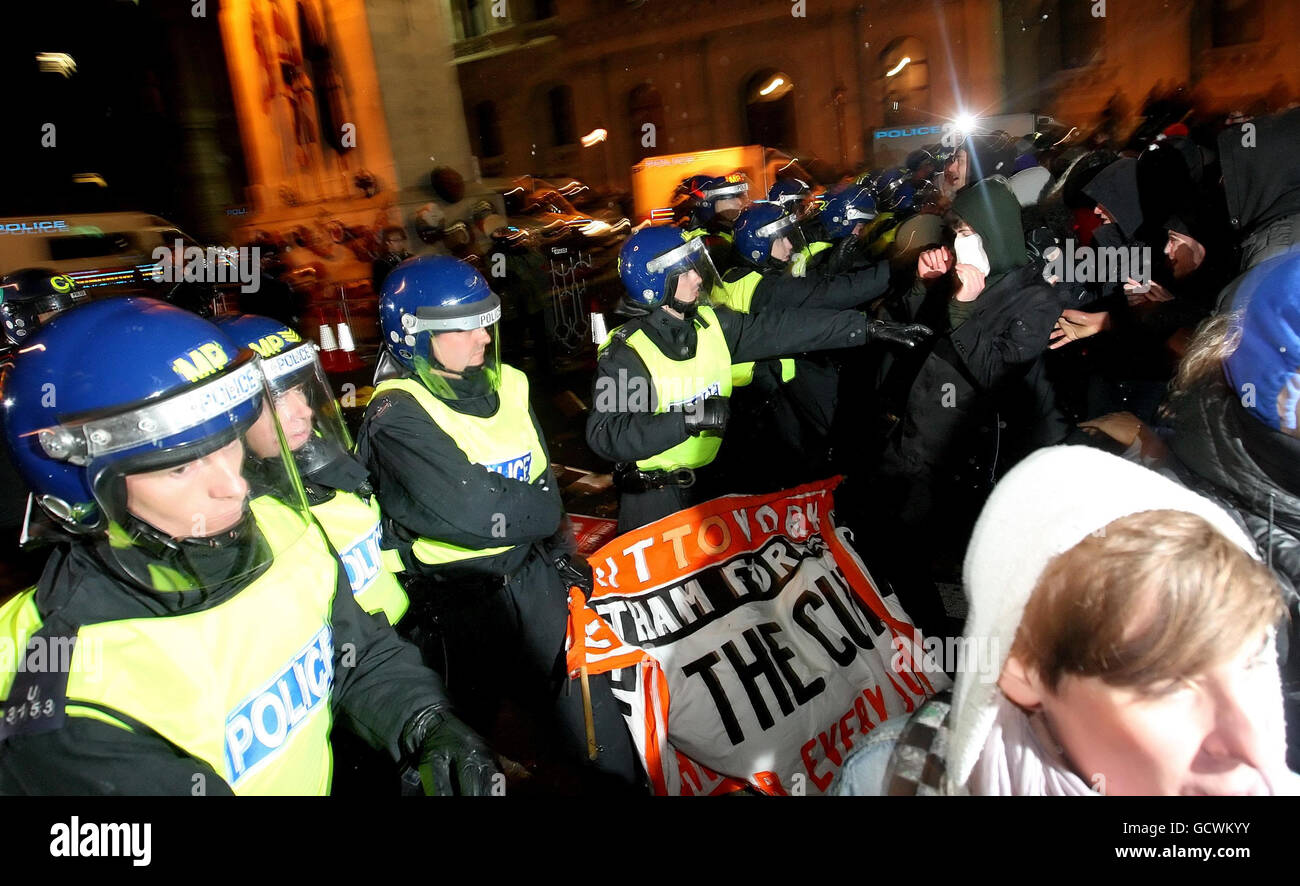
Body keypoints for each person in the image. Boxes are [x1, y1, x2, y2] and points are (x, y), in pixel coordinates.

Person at [0, 297, 497, 795]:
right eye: (181, 466)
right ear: (81, 490)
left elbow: (355, 650)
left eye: (228, 442)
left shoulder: (279, 526)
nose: (236, 489)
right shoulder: (67, 684)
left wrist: (425, 721)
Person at [832, 445, 1299, 796]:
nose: (1256, 748)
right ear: (1021, 669)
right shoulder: (894, 778)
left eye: (1252, 660)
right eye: (1170, 685)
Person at [355, 255, 640, 789]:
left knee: (592, 723)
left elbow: (541, 475)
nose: (483, 337)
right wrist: (540, 512)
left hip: (532, 579)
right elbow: (474, 509)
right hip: (457, 608)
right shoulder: (397, 413)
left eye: (484, 321)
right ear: (415, 338)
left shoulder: (509, 384)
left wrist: (558, 552)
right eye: (462, 329)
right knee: (467, 751)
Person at [586, 225, 930, 531]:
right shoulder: (626, 354)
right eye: (685, 271)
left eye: (695, 267)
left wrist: (866, 328)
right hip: (654, 502)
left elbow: (784, 329)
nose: (698, 278)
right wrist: (687, 419)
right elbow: (607, 434)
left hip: (709, 487)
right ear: (653, 281)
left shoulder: (710, 324)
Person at [215, 313, 408, 626]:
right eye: (278, 397)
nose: (303, 411)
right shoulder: (225, 517)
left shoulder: (318, 454)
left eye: (300, 390)